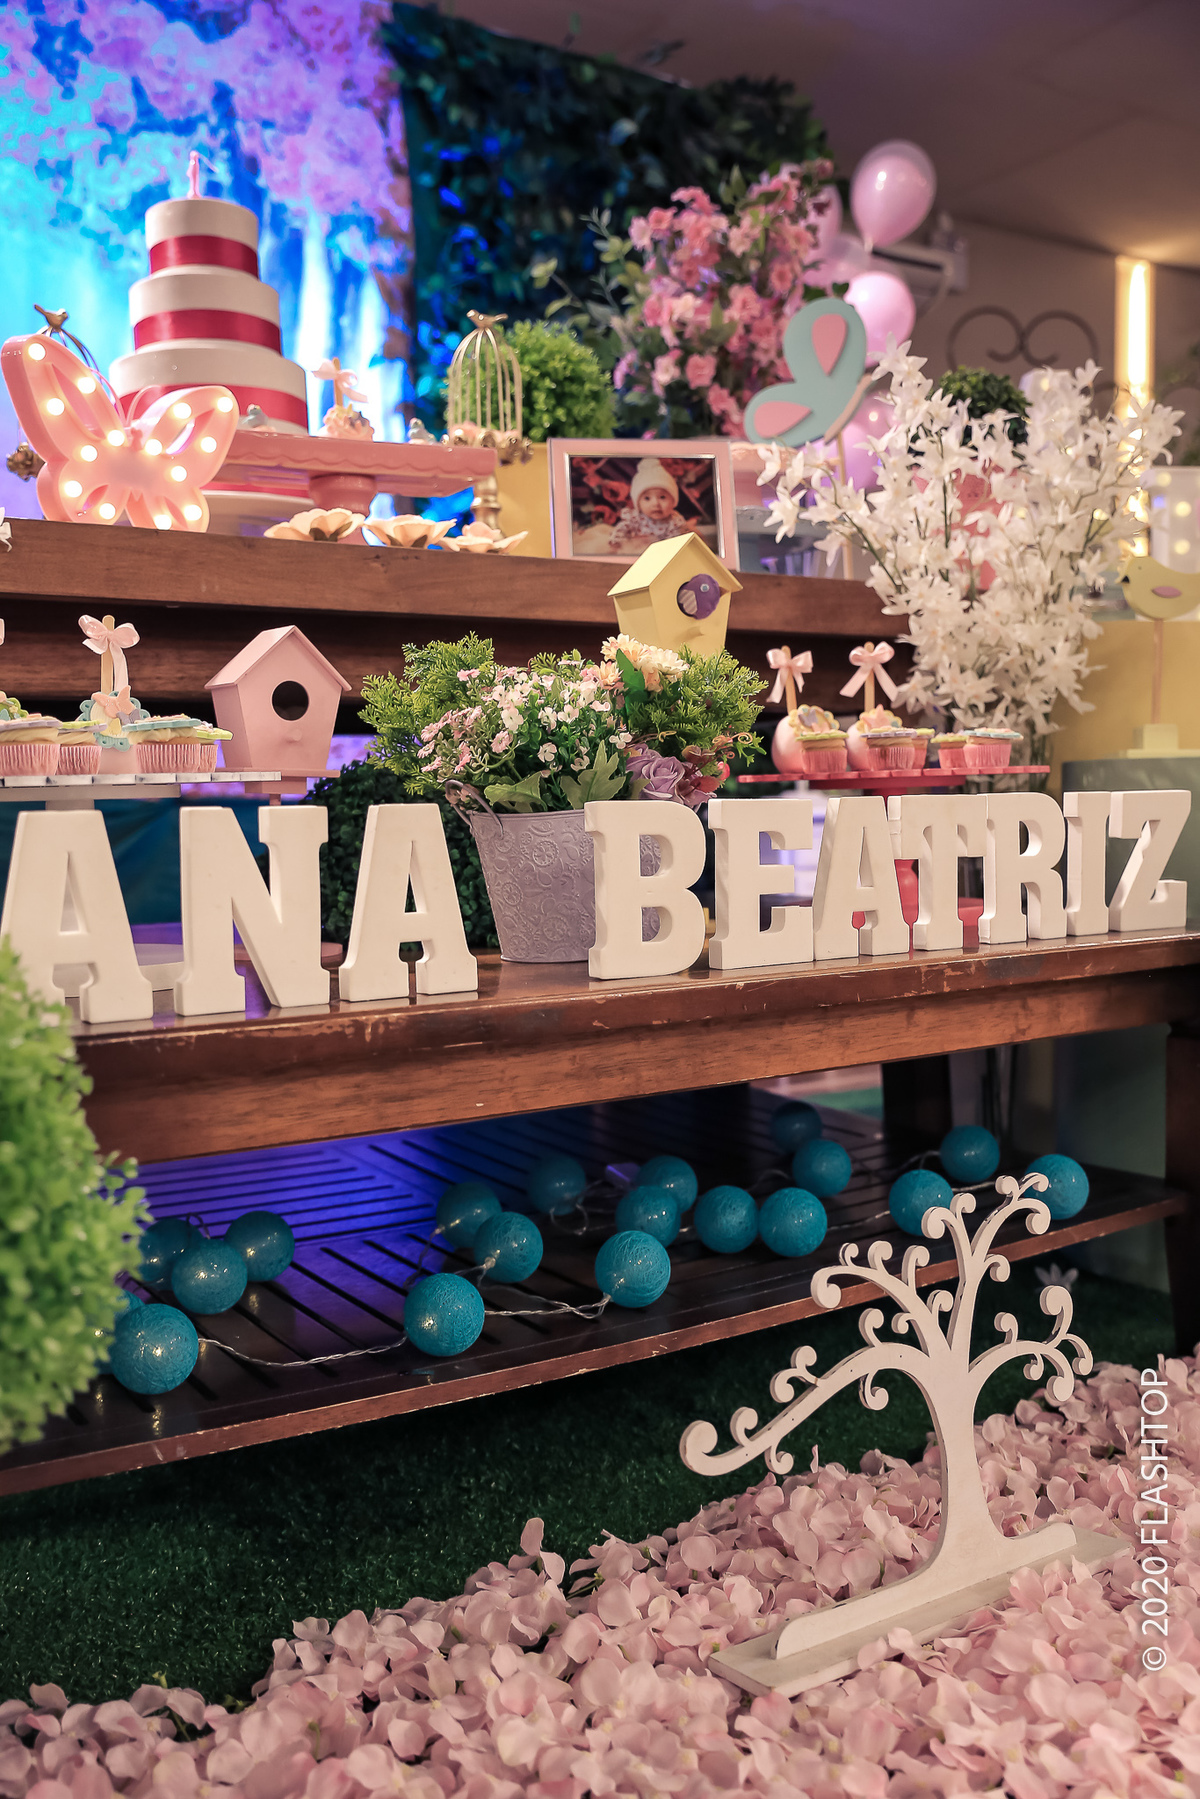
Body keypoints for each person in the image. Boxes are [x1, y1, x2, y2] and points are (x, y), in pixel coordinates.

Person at [608, 458, 689, 549]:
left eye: (662, 497)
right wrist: (616, 541)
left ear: (673, 501)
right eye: (647, 498)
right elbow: (621, 530)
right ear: (638, 504)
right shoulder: (635, 518)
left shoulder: (674, 522)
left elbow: (674, 544)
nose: (656, 503)